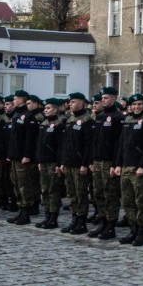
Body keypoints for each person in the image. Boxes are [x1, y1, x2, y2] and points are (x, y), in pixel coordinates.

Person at [113, 93, 143, 246]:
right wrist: (118, 164)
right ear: (130, 106)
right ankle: (133, 230)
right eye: (134, 104)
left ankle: (142, 233)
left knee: (141, 201)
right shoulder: (127, 121)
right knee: (127, 201)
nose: (137, 107)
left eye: (140, 104)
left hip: (139, 169)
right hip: (125, 167)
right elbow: (121, 145)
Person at [89, 86, 125, 239]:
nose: (103, 100)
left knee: (110, 194)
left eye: (106, 98)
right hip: (97, 161)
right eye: (102, 98)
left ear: (114, 98)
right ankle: (103, 222)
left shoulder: (118, 117)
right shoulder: (100, 116)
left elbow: (119, 143)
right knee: (98, 193)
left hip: (109, 162)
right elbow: (95, 141)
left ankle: (110, 226)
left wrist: (116, 164)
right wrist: (91, 160)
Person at [59, 93, 94, 234]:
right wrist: (63, 162)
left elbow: (88, 145)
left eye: (74, 101)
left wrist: (85, 164)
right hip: (69, 162)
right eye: (70, 102)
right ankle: (74, 220)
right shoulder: (70, 120)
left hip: (79, 164)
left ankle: (81, 222)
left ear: (82, 103)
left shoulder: (87, 120)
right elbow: (65, 143)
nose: (71, 104)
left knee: (81, 194)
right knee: (71, 194)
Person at [5, 90, 38, 225]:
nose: (13, 101)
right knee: (16, 184)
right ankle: (20, 210)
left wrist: (27, 155)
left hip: (22, 158)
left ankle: (26, 212)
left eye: (15, 99)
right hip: (14, 156)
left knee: (24, 185)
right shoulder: (16, 115)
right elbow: (13, 138)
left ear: (22, 100)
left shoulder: (28, 117)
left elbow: (30, 139)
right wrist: (10, 154)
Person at [35, 97, 66, 228]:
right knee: (45, 190)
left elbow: (61, 146)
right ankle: (47, 215)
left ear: (56, 109)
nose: (45, 110)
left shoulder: (59, 124)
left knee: (53, 190)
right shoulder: (43, 124)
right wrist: (39, 160)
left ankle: (53, 217)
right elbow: (39, 144)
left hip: (53, 162)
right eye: (45, 108)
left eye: (48, 108)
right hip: (44, 161)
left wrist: (59, 164)